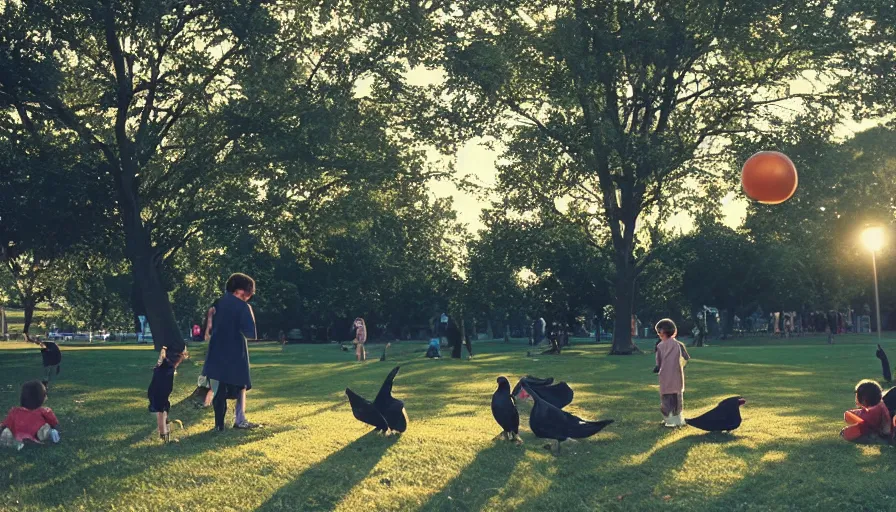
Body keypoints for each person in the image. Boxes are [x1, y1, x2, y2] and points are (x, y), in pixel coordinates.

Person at [203, 273, 259, 432]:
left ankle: (219, 424)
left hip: (216, 350)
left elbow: (208, 327)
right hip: (236, 351)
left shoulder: (217, 303)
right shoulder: (243, 307)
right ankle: (240, 419)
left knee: (218, 389)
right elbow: (250, 333)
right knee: (240, 385)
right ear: (242, 291)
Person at [1, 381, 60, 450]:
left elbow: (4, 425)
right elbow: (55, 424)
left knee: (7, 431)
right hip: (36, 434)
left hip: (18, 435)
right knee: (46, 429)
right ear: (41, 397)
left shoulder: (14, 411)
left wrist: (2, 429)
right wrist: (55, 431)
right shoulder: (45, 411)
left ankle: (15, 442)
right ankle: (35, 439)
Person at [654, 318, 691, 428]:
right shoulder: (678, 344)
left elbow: (658, 362)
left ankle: (668, 420)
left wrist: (658, 367)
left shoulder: (659, 346)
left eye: (658, 331)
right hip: (676, 376)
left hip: (665, 376)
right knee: (677, 397)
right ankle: (678, 419)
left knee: (666, 398)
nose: (658, 334)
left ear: (662, 332)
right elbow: (686, 358)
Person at [148, 346, 188, 443]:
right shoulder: (168, 369)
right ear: (177, 358)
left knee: (162, 412)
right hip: (159, 394)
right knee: (162, 412)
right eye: (181, 359)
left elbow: (162, 356)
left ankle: (164, 431)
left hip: (155, 392)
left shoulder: (163, 365)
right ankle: (164, 436)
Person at [841, 379, 892, 444]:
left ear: (864, 398)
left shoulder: (874, 410)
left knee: (848, 433)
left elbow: (866, 425)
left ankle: (876, 440)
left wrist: (846, 432)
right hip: (881, 433)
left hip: (883, 437)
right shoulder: (878, 405)